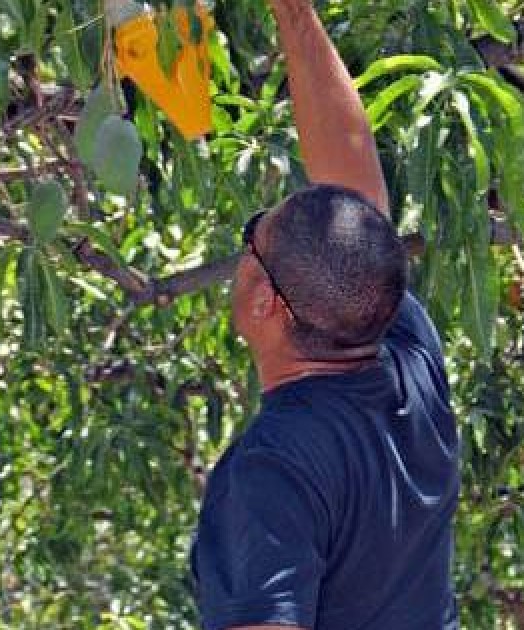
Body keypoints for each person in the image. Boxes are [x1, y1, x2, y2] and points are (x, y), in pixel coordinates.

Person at [189, 1, 461, 628]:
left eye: (252, 237)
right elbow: (354, 201)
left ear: (266, 304)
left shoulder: (273, 468)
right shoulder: (403, 352)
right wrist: (294, 14)